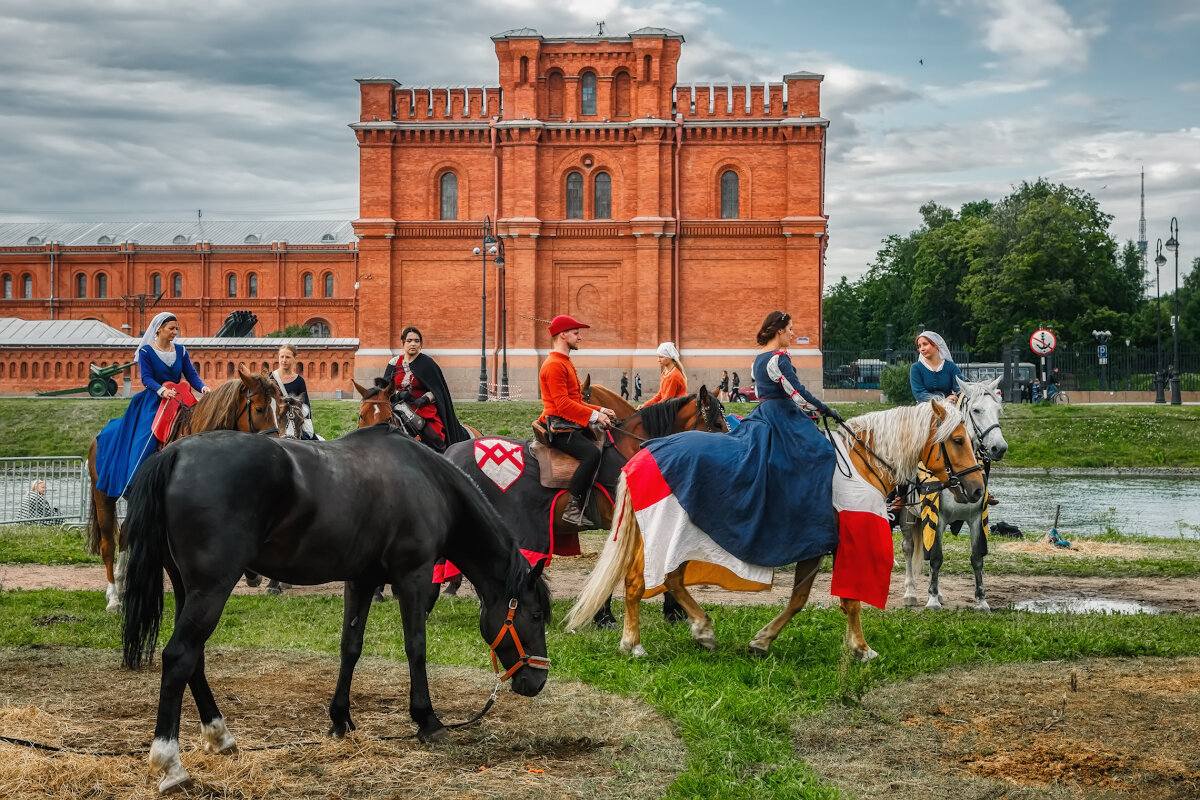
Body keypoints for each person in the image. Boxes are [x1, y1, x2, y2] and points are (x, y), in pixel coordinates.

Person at [639, 310, 843, 569]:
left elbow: (761, 391)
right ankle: (812, 521)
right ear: (779, 330)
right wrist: (825, 410)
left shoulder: (757, 360)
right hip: (782, 416)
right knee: (822, 453)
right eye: (790, 328)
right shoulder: (779, 358)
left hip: (763, 414)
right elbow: (797, 394)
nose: (793, 333)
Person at [93, 312, 210, 498]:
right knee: (147, 435)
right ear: (159, 329)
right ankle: (134, 481)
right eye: (171, 328)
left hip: (180, 398)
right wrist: (162, 391)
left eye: (176, 328)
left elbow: (191, 374)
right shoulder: (146, 351)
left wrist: (203, 387)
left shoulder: (181, 350)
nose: (175, 332)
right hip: (154, 400)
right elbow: (146, 378)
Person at [537, 314, 615, 528]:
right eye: (576, 333)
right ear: (562, 334)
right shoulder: (554, 365)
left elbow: (575, 400)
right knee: (590, 454)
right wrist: (596, 416)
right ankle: (573, 508)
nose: (579, 337)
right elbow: (562, 405)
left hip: (569, 423)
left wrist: (600, 409)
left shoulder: (564, 362)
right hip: (560, 427)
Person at [382, 326, 469, 453]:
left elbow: (438, 390)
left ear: (421, 344)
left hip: (421, 407)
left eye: (417, 341)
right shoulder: (394, 363)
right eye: (409, 340)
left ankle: (440, 459)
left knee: (434, 436)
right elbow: (384, 389)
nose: (413, 344)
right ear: (403, 343)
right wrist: (398, 395)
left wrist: (425, 399)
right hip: (395, 405)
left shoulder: (427, 363)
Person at [272, 344, 317, 440]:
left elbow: (306, 406)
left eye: (288, 357)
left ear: (294, 359)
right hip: (275, 422)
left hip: (293, 422)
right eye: (282, 356)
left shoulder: (299, 381)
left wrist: (308, 426)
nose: (284, 360)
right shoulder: (270, 378)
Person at [909, 331, 963, 403]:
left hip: (949, 408)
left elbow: (960, 390)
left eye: (925, 344)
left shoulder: (951, 367)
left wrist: (955, 397)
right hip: (924, 409)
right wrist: (942, 401)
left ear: (935, 345)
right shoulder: (916, 368)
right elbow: (919, 394)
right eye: (919, 346)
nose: (922, 349)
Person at [639, 341, 687, 408]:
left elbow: (667, 399)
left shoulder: (674, 375)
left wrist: (650, 409)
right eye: (658, 357)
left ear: (670, 357)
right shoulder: (665, 372)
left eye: (661, 357)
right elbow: (660, 395)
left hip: (677, 409)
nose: (658, 360)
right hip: (668, 406)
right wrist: (645, 405)